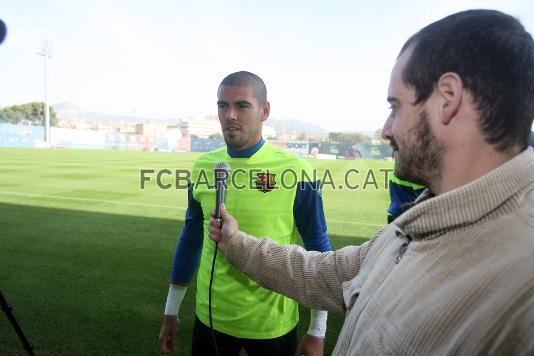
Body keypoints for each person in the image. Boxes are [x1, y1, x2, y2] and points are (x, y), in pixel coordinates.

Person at [208, 10, 534, 355]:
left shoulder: (522, 281)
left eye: (396, 107)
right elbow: (328, 274)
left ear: (448, 100)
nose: (386, 130)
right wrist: (236, 242)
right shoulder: (420, 218)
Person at [159, 71, 332, 355]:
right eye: (222, 106)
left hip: (273, 323)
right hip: (210, 316)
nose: (230, 115)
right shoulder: (203, 167)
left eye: (242, 105)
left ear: (264, 111)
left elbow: (318, 246)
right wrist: (171, 310)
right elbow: (191, 238)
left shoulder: (298, 172)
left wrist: (317, 331)